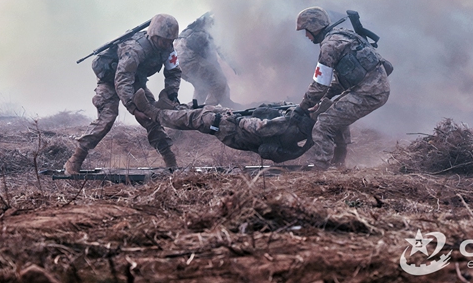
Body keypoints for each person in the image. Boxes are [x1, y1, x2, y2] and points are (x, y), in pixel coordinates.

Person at [65, 14, 182, 174]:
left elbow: (174, 72)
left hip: (135, 82)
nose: (168, 44)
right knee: (107, 118)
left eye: (171, 41)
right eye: (164, 40)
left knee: (152, 118)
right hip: (111, 80)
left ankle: (170, 162)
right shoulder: (135, 49)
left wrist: (172, 93)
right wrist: (134, 109)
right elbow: (122, 79)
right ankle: (75, 161)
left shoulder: (168, 49)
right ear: (154, 36)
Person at [294, 7, 391, 170]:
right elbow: (342, 78)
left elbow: (319, 85)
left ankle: (320, 172)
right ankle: (339, 164)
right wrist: (326, 98)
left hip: (370, 93)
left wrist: (301, 109)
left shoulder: (329, 46)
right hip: (370, 88)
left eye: (306, 31)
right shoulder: (341, 36)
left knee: (323, 124)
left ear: (314, 26)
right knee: (331, 112)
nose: (307, 36)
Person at [132, 88, 315, 163]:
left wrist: (237, 120)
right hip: (233, 127)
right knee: (206, 109)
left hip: (230, 129)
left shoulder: (289, 125)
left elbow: (260, 127)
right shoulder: (298, 135)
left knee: (195, 118)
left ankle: (154, 113)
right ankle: (172, 108)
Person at [174, 12, 236, 107]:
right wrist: (235, 66)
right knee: (219, 81)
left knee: (203, 86)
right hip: (188, 55)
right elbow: (219, 50)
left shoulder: (199, 25)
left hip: (177, 57)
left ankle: (193, 110)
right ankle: (209, 110)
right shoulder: (213, 26)